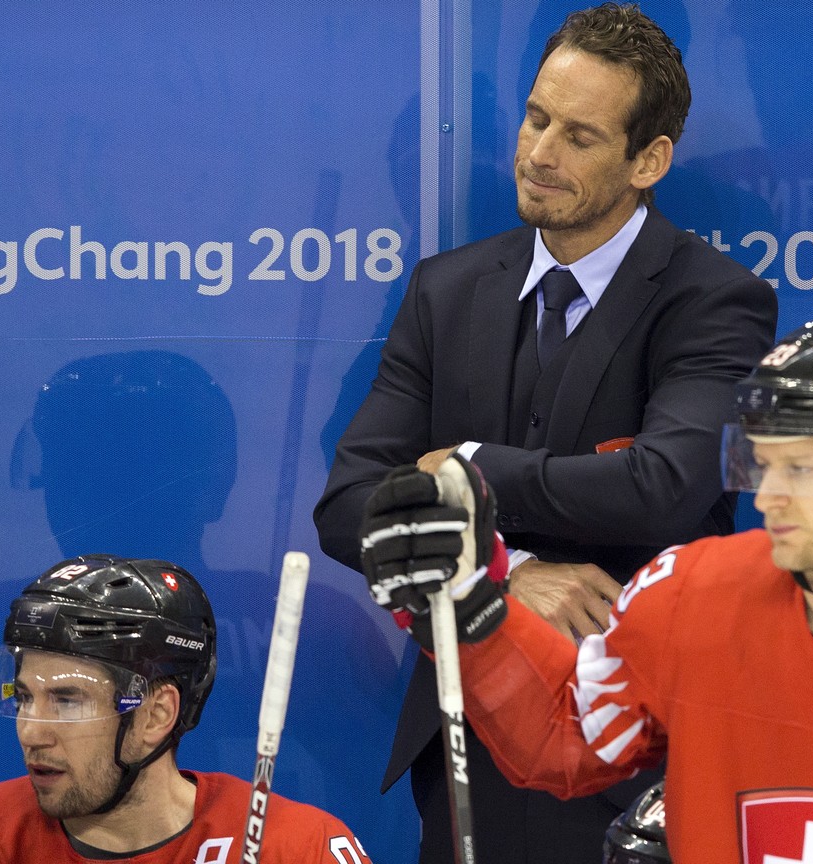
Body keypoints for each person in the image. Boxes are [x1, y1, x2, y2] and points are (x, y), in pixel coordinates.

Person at [312, 3, 777, 860]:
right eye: (536, 118)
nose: (538, 155)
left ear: (650, 160)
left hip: (636, 739)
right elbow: (348, 504)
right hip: (463, 741)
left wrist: (470, 469)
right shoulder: (443, 292)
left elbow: (666, 485)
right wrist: (503, 573)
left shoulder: (713, 300)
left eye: (579, 136)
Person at [361, 320, 813, 860]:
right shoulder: (689, 593)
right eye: (759, 464)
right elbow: (565, 735)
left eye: (805, 470)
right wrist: (472, 615)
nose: (770, 499)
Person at [0, 554, 372, 864]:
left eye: (66, 701)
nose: (30, 732)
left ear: (157, 715)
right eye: (23, 698)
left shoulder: (298, 849)